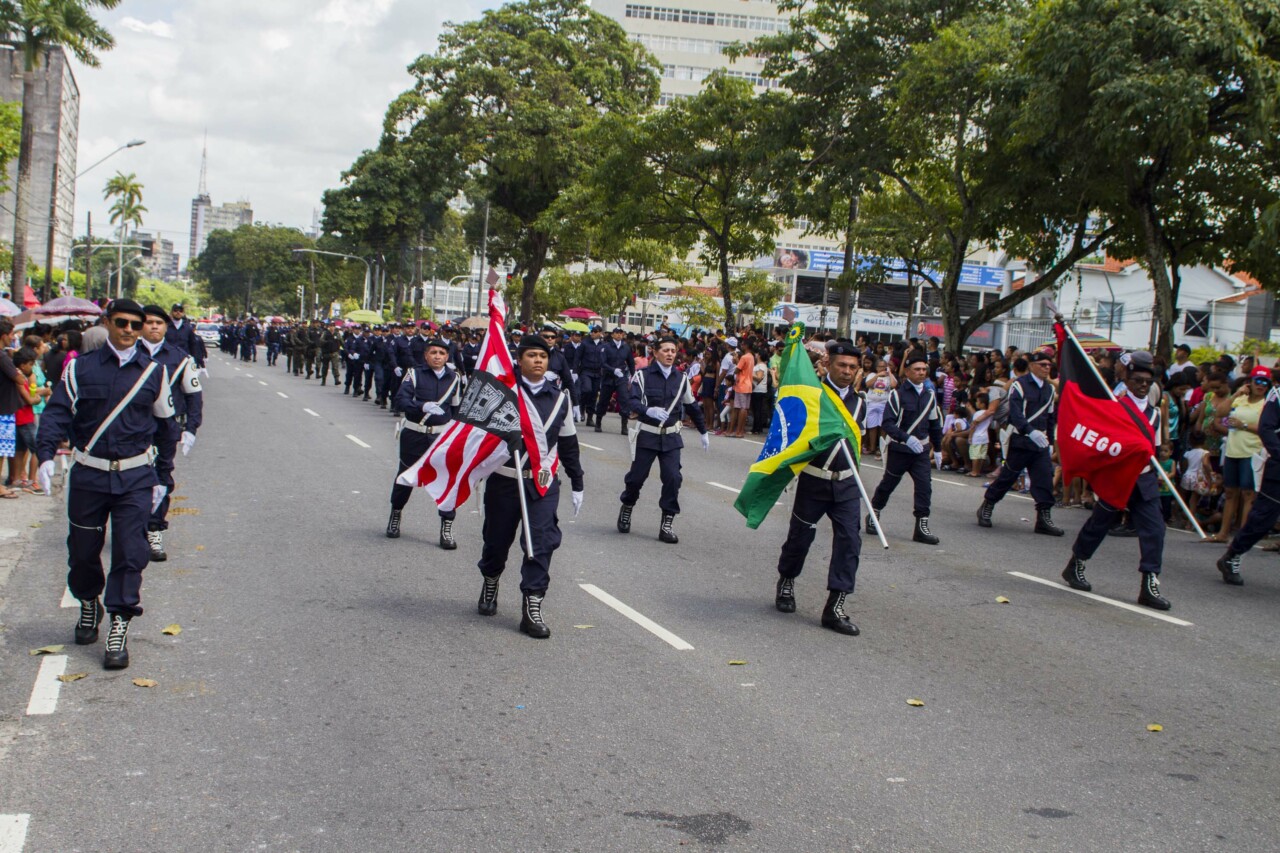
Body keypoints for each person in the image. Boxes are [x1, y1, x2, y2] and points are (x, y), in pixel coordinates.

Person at [35, 299, 177, 669]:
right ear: (108, 323)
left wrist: (164, 476)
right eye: (122, 322)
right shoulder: (80, 369)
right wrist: (46, 455)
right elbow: (56, 413)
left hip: (134, 477)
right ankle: (87, 602)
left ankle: (119, 621)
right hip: (89, 473)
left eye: (136, 323)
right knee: (83, 551)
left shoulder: (154, 373)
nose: (130, 329)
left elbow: (166, 428)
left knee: (131, 552)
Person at [477, 334, 584, 639]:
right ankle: (491, 580)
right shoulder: (504, 393)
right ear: (519, 360)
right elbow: (477, 435)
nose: (538, 361)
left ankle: (532, 605)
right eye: (531, 355)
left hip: (541, 483)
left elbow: (568, 443)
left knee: (540, 542)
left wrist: (577, 482)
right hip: (505, 479)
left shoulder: (560, 398)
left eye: (543, 356)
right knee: (496, 541)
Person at [1061, 351, 1171, 610]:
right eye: (1138, 381)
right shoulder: (1115, 405)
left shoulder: (1155, 414)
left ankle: (1149, 582)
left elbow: (1154, 447)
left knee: (1155, 529)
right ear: (1128, 381)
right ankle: (1076, 563)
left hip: (1143, 478)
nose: (1143, 386)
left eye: (1148, 381)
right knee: (1100, 522)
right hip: (1118, 477)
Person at [774, 340, 867, 635]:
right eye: (842, 365)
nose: (847, 371)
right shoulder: (813, 395)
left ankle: (835, 606)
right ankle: (787, 580)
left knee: (850, 541)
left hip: (847, 483)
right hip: (815, 479)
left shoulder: (860, 403)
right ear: (828, 364)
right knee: (800, 538)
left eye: (853, 367)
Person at [616, 336, 709, 543]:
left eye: (673, 351)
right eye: (665, 350)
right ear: (655, 352)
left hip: (671, 438)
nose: (669, 354)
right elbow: (631, 401)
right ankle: (627, 506)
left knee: (673, 478)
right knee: (636, 478)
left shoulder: (681, 379)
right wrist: (648, 409)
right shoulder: (642, 376)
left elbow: (692, 406)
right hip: (648, 434)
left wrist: (703, 431)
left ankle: (667, 522)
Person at [138, 305, 204, 562]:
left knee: (162, 476)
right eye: (149, 322)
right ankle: (133, 526)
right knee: (134, 478)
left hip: (165, 428)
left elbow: (194, 394)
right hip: (133, 428)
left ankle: (155, 529)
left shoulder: (180, 358)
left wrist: (191, 428)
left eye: (159, 322)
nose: (154, 326)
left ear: (166, 327)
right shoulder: (130, 354)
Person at [386, 338, 463, 548]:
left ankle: (446, 526)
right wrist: (422, 406)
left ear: (447, 356)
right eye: (433, 352)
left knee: (448, 481)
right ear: (425, 355)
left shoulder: (454, 378)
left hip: (441, 437)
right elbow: (400, 401)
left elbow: (456, 409)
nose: (437, 356)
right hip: (415, 434)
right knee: (405, 477)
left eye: (441, 353)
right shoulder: (414, 374)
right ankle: (396, 513)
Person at [976, 351, 1063, 535]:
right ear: (1032, 365)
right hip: (1021, 440)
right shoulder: (1020, 385)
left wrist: (1049, 442)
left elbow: (1049, 416)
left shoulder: (1049, 389)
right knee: (1008, 476)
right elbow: (1015, 414)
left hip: (1040, 443)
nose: (1047, 368)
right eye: (1043, 365)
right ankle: (987, 505)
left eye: (1049, 365)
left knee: (1044, 480)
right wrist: (1030, 431)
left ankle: (1043, 518)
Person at [868, 354, 944, 544]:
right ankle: (874, 512)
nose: (921, 373)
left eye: (924, 370)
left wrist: (939, 448)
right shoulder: (897, 394)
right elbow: (888, 423)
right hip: (900, 450)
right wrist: (906, 438)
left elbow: (934, 424)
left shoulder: (930, 395)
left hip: (921, 451)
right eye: (917, 369)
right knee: (888, 484)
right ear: (908, 372)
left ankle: (921, 525)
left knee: (924, 487)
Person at [1215, 370, 1280, 585]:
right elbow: (1266, 428)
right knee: (1263, 519)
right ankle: (1233, 555)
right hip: (1277, 469)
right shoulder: (1277, 396)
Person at [594, 327, 634, 434]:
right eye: (617, 333)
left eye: (621, 333)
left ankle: (624, 426)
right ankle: (598, 422)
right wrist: (613, 370)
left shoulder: (626, 347)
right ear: (612, 335)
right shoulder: (606, 347)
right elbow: (602, 363)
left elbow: (631, 362)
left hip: (621, 378)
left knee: (624, 399)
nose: (619, 335)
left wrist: (633, 375)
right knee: (603, 400)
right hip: (608, 377)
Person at [343, 325, 368, 397]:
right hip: (351, 359)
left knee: (358, 375)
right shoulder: (349, 339)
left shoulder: (362, 339)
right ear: (353, 330)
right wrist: (349, 354)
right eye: (356, 329)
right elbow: (345, 348)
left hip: (359, 360)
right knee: (349, 374)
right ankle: (347, 386)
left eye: (359, 329)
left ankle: (357, 389)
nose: (357, 331)